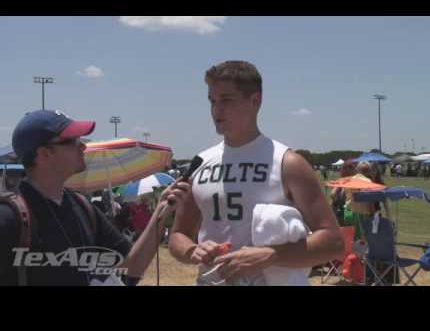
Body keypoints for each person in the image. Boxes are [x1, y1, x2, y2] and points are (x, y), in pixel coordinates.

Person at [168, 60, 344, 286]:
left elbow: (333, 241)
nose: (216, 109)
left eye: (226, 100)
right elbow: (177, 236)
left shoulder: (287, 163)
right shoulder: (200, 163)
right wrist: (193, 250)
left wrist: (270, 255)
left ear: (255, 100)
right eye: (212, 101)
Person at [0, 110, 187, 286]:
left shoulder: (82, 207)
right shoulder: (9, 217)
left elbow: (132, 265)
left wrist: (161, 210)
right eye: (71, 141)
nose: (83, 145)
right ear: (43, 154)